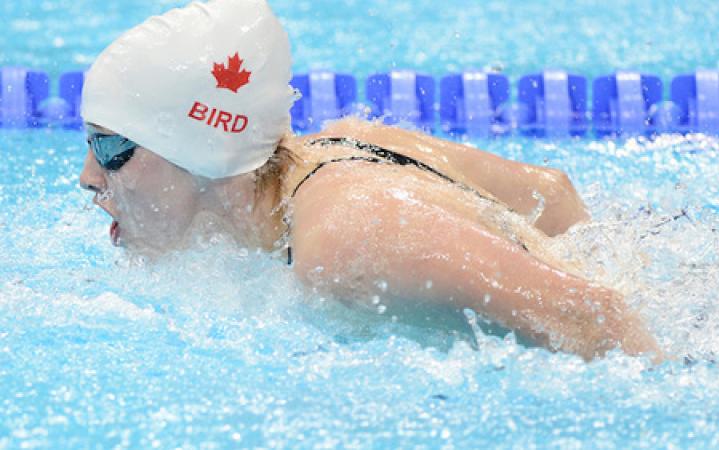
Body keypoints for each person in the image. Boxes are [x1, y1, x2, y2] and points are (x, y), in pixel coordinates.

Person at [78, 0, 665, 362]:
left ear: (200, 147)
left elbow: (595, 318)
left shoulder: (345, 241)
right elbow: (552, 196)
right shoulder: (340, 145)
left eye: (110, 147)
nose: (88, 178)